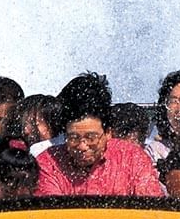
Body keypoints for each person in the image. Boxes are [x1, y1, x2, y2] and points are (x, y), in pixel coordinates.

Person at [35, 73, 163, 197]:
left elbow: (152, 212)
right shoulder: (48, 163)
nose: (82, 146)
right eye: (73, 138)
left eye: (91, 138)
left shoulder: (133, 158)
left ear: (108, 133)